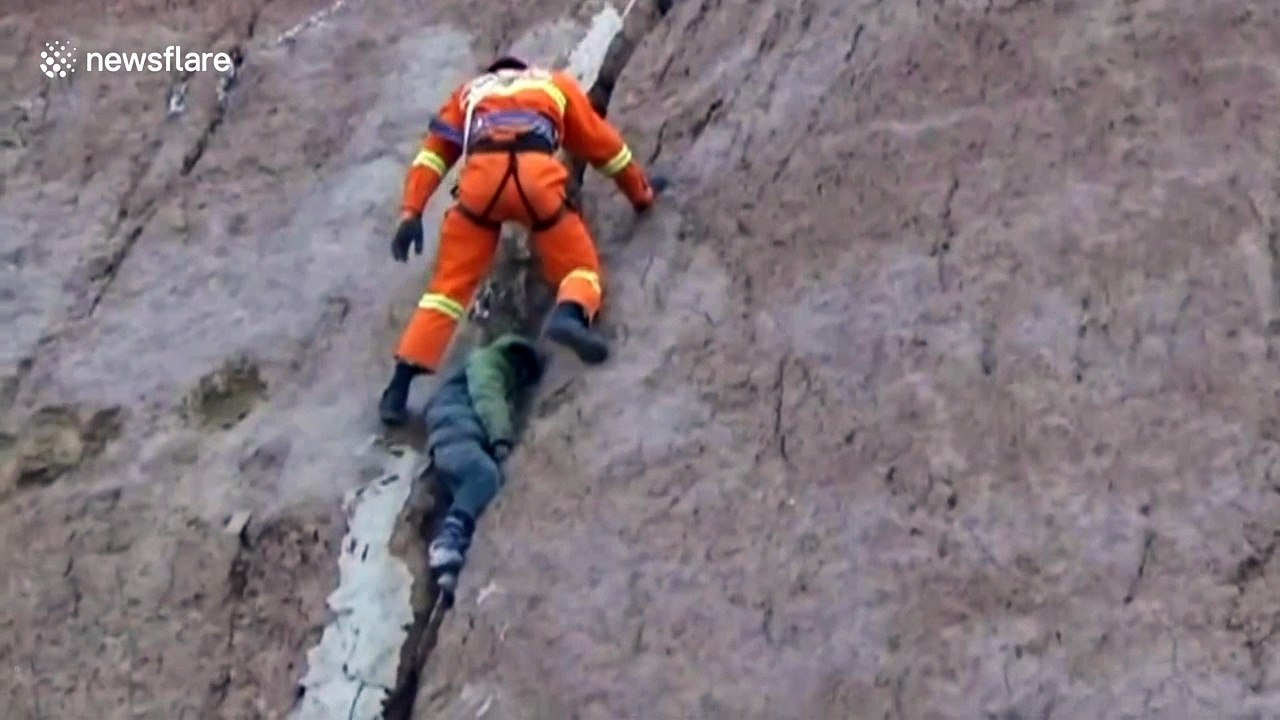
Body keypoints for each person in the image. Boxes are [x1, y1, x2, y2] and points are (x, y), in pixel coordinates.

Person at [378, 54, 666, 426]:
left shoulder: (470, 93)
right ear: (523, 70)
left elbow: (432, 155)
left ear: (492, 74)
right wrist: (640, 193)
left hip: (480, 187)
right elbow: (604, 146)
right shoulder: (553, 84)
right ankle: (569, 314)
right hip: (536, 181)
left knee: (446, 292)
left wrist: (411, 211)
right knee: (579, 268)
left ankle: (398, 389)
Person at [422, 332, 545, 600]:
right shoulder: (487, 361)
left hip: (449, 437)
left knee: (467, 492)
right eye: (522, 372)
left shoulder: (477, 370)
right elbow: (487, 396)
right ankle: (448, 541)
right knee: (483, 475)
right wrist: (501, 437)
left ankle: (448, 567)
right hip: (457, 432)